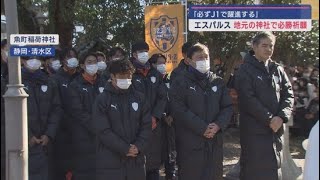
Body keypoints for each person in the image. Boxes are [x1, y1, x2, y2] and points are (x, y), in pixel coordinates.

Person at [234, 31, 294, 180]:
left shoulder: (277, 69)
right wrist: (269, 119)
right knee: (255, 170)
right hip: (255, 131)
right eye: (264, 45)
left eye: (271, 46)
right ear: (254, 47)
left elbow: (288, 94)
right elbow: (248, 99)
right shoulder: (245, 70)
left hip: (276, 129)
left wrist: (281, 116)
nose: (268, 49)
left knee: (274, 169)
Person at [169, 43, 233, 180]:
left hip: (214, 143)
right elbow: (178, 109)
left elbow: (227, 107)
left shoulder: (218, 82)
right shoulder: (180, 82)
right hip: (190, 144)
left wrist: (218, 125)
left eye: (206, 57)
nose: (204, 60)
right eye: (199, 57)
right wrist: (202, 127)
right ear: (188, 60)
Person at [93, 59, 151, 180]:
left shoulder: (140, 97)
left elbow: (146, 126)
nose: (125, 79)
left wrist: (138, 146)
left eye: (128, 76)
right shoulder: (102, 99)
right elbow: (103, 130)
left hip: (136, 161)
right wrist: (125, 148)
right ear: (112, 76)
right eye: (121, 76)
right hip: (111, 161)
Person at [130, 42, 167, 180]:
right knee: (137, 164)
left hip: (154, 125)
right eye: (141, 51)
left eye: (146, 50)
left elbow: (162, 96)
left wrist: (155, 116)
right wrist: (143, 119)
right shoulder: (129, 72)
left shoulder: (154, 72)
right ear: (134, 54)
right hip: (136, 125)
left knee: (153, 165)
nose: (145, 54)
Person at [21, 56, 62, 180]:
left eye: (37, 58)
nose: (34, 61)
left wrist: (49, 134)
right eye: (30, 58)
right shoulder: (12, 81)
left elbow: (57, 109)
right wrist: (27, 136)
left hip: (46, 145)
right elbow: (9, 114)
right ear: (22, 60)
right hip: (23, 145)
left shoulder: (50, 82)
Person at [68, 52, 107, 179]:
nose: (93, 65)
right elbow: (78, 111)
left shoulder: (104, 83)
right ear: (82, 66)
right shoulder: (75, 85)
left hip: (103, 135)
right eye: (89, 62)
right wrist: (95, 125)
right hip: (83, 135)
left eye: (95, 62)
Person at [50, 47, 80, 180]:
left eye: (74, 56)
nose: (72, 59)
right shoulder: (55, 79)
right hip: (62, 131)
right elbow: (56, 106)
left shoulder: (80, 77)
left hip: (80, 129)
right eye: (68, 57)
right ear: (63, 60)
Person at [149, 53, 177, 180]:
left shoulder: (169, 79)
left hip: (171, 124)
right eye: (159, 63)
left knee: (170, 155)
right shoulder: (149, 81)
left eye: (163, 63)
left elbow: (174, 100)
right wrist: (162, 115)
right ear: (152, 64)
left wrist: (172, 115)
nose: (162, 65)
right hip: (156, 124)